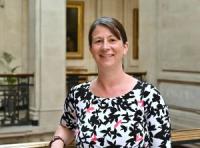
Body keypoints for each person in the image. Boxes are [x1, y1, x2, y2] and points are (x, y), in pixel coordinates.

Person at [50, 16, 171, 148]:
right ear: (91, 49)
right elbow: (67, 126)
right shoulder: (78, 94)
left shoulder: (149, 96)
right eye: (98, 41)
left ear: (125, 47)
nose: (105, 47)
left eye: (112, 40)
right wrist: (57, 141)